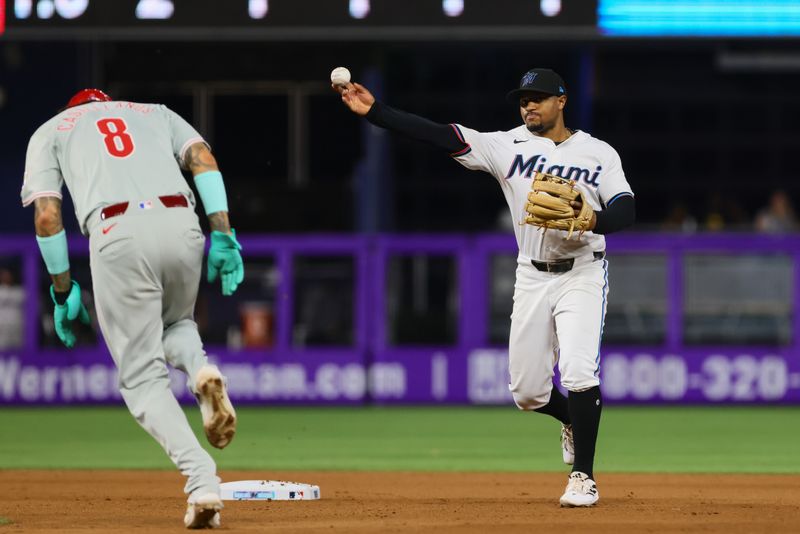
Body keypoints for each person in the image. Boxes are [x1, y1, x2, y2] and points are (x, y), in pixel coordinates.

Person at [334, 68, 635, 507]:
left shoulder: (598, 153)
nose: (529, 105)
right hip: (531, 275)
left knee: (578, 370)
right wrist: (377, 111)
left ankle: (583, 477)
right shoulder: (506, 145)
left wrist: (593, 219)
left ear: (562, 101)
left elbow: (625, 210)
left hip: (582, 273)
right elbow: (439, 134)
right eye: (523, 98)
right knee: (527, 392)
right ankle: (572, 419)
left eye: (539, 97)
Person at [21, 88, 244, 529]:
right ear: (107, 103)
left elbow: (47, 216)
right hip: (182, 221)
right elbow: (203, 160)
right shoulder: (156, 113)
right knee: (177, 322)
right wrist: (223, 232)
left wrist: (64, 291)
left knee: (141, 376)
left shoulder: (52, 130)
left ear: (75, 110)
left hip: (118, 230)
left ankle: (202, 481)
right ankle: (200, 371)